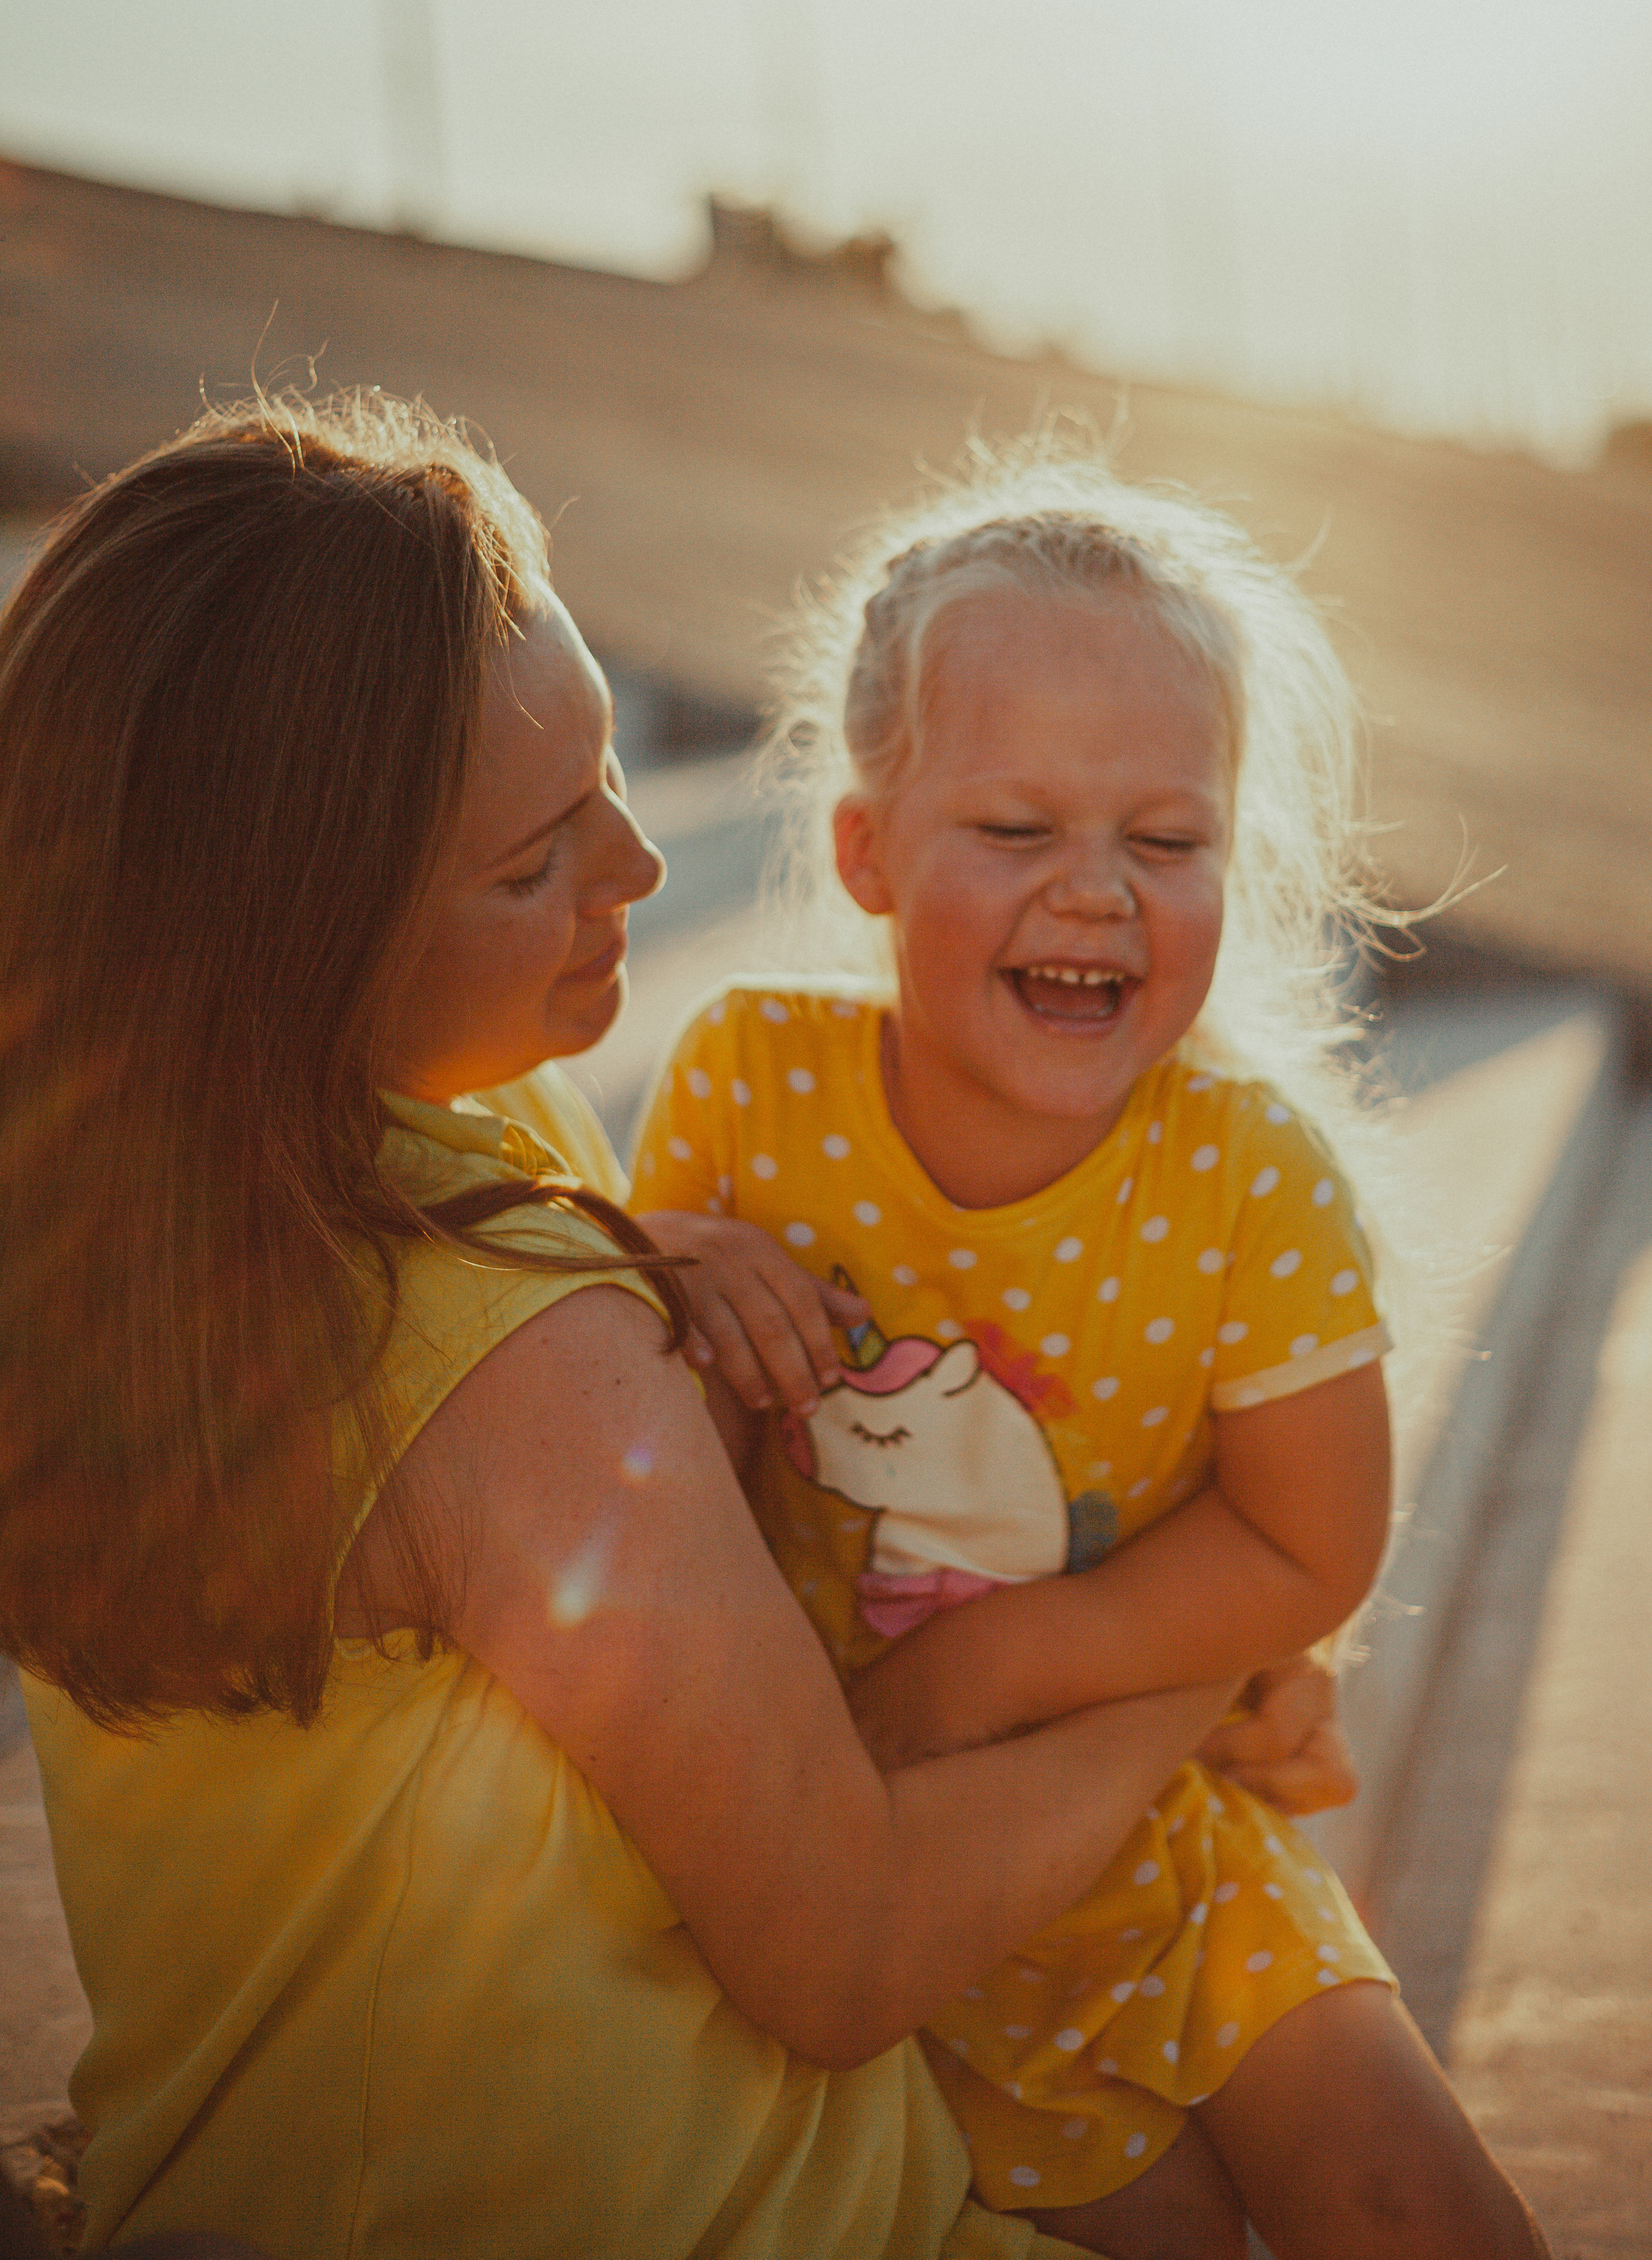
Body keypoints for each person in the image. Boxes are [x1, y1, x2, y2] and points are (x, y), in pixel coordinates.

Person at [0, 393, 1329, 2260]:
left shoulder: (166, 1226)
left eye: (608, 775)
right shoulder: (500, 1351)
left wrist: (643, 1246)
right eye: (532, 861)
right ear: (305, 937)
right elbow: (847, 1946)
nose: (632, 868)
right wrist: (1192, 1674)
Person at [630, 452, 1548, 2260]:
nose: (1095, 892)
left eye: (1164, 841)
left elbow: (1307, 1543)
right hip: (845, 1876)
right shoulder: (746, 1080)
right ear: (865, 853)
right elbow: (647, 1440)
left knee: (1414, 2204)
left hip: (1152, 1849)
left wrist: (996, 1665)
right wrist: (653, 1259)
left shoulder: (1245, 1174)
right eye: (1015, 829)